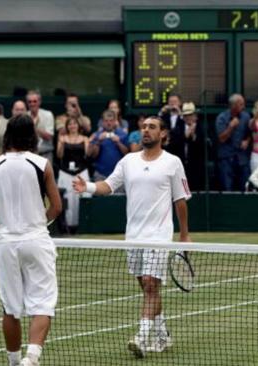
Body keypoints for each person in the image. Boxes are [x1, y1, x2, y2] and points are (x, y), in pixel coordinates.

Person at [72, 116, 191, 359]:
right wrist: (89, 188)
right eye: (144, 127)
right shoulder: (128, 161)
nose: (146, 131)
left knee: (150, 284)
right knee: (147, 287)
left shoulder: (173, 162)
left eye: (152, 127)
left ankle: (141, 337)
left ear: (163, 134)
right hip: (133, 235)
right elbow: (109, 185)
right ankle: (163, 335)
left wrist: (184, 236)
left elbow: (180, 200)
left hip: (159, 235)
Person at [0, 114, 62, 366]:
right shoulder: (41, 164)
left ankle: (14, 362)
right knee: (43, 305)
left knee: (10, 308)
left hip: (6, 244)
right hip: (36, 240)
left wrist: (3, 229)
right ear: (31, 135)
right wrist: (38, 224)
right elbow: (56, 207)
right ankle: (32, 358)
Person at [56, 117, 90, 233]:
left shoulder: (85, 139)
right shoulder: (62, 138)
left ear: (78, 126)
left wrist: (90, 142)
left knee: (82, 196)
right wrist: (61, 143)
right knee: (67, 199)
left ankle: (82, 226)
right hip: (65, 173)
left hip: (81, 173)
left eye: (74, 123)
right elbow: (59, 155)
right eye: (70, 124)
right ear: (67, 127)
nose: (72, 126)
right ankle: (66, 226)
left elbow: (88, 155)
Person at [216, 93, 251, 191]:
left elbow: (249, 134)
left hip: (242, 157)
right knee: (227, 186)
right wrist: (231, 127)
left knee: (244, 185)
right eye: (241, 104)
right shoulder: (222, 118)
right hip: (226, 157)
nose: (243, 107)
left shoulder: (246, 116)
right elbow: (221, 139)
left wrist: (247, 141)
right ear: (233, 105)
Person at [89, 110, 129, 181]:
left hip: (119, 174)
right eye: (106, 121)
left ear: (115, 121)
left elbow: (127, 154)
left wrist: (118, 143)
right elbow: (93, 155)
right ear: (102, 122)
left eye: (111, 121)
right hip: (100, 174)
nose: (109, 123)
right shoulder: (96, 135)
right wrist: (99, 141)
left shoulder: (123, 134)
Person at [180, 102, 206, 191]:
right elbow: (174, 145)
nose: (188, 118)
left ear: (195, 116)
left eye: (190, 115)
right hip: (182, 166)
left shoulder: (202, 128)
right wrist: (185, 136)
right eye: (186, 115)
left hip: (197, 167)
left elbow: (204, 147)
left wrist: (194, 135)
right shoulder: (178, 128)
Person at [27, 91, 55, 163]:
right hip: (29, 155)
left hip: (45, 155)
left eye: (34, 101)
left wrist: (34, 127)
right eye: (30, 102)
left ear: (39, 102)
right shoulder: (25, 116)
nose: (32, 104)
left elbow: (49, 137)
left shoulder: (48, 115)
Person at [159, 93, 185, 160]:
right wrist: (162, 111)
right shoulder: (164, 116)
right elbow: (158, 123)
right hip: (167, 150)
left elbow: (185, 126)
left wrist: (180, 112)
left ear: (180, 103)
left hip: (180, 150)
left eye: (175, 102)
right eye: (171, 102)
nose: (173, 104)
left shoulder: (184, 116)